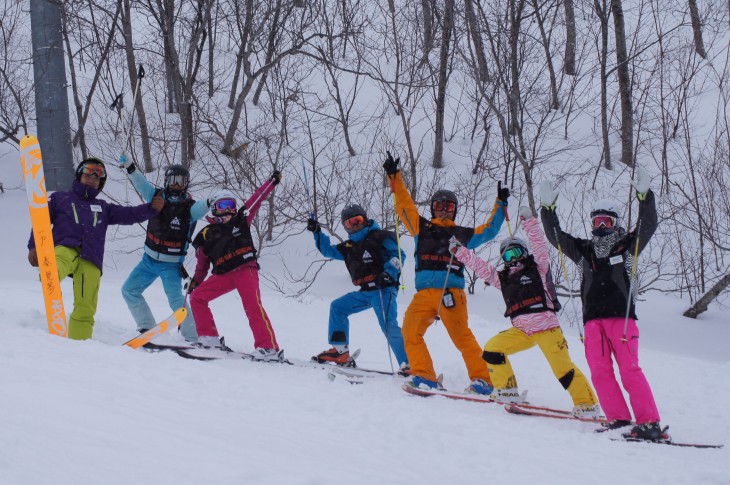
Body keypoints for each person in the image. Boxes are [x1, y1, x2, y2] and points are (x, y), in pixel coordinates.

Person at [540, 167, 665, 440]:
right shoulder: (584, 250)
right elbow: (556, 237)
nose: (600, 227)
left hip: (621, 319)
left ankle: (649, 422)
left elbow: (648, 225)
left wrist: (645, 198)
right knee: (599, 371)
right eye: (596, 222)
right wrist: (547, 210)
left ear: (616, 223)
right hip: (592, 322)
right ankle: (618, 418)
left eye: (606, 222)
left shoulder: (627, 245)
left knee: (629, 370)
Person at [450, 206, 600, 416]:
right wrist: (460, 252)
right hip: (522, 331)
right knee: (493, 349)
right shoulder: (502, 278)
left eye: (517, 252)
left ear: (525, 253)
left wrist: (529, 222)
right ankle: (507, 389)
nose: (514, 258)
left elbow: (540, 246)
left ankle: (587, 403)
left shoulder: (538, 268)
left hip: (547, 329)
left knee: (562, 368)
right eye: (508, 255)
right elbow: (480, 266)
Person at [382, 151, 507, 394]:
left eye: (448, 206)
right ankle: (425, 375)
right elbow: (404, 205)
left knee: (462, 338)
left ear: (455, 210)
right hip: (424, 294)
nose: (443, 210)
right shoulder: (422, 227)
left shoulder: (462, 234)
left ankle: (483, 380)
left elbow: (490, 230)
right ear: (432, 208)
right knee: (409, 331)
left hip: (451, 293)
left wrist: (500, 204)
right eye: (439, 206)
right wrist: (394, 176)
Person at [27, 158, 164, 340]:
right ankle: (49, 276)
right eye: (88, 173)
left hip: (91, 258)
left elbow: (129, 214)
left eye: (97, 176)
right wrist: (33, 246)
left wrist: (151, 209)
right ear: (79, 175)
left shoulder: (103, 208)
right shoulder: (60, 198)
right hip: (65, 246)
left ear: (101, 183)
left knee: (87, 306)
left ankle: (80, 342)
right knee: (60, 260)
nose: (92, 178)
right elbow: (40, 221)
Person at [188, 173, 283, 361]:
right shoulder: (205, 235)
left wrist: (271, 182)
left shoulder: (241, 220)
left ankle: (268, 347)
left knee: (252, 306)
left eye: (231, 205)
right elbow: (202, 266)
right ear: (214, 209)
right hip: (223, 274)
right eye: (222, 206)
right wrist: (195, 282)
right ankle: (209, 337)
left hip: (245, 269)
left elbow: (256, 199)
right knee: (197, 296)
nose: (228, 210)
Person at [306, 203, 409, 372]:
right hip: (366, 292)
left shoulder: (380, 236)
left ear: (365, 219)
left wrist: (389, 272)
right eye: (350, 222)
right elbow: (327, 251)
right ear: (345, 226)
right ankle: (340, 352)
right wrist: (317, 231)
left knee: (388, 325)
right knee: (338, 307)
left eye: (358, 220)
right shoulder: (349, 247)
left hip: (383, 289)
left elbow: (399, 254)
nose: (355, 225)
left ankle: (409, 364)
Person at [117, 154, 208, 342]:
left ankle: (193, 338)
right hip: (148, 261)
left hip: (171, 265)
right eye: (173, 180)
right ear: (166, 181)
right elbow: (142, 184)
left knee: (176, 300)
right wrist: (130, 167)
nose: (176, 184)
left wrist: (212, 201)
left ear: (186, 183)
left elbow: (202, 208)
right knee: (129, 290)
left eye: (181, 181)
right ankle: (147, 327)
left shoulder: (189, 207)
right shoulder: (156, 196)